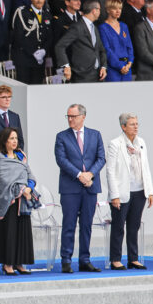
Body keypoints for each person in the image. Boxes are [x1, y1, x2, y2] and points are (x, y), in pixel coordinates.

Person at [54, 104, 105, 274]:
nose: (70, 119)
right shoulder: (62, 137)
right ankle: (66, 260)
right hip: (70, 187)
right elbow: (61, 160)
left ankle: (84, 259)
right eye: (68, 116)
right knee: (69, 224)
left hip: (90, 186)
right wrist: (79, 175)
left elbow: (101, 158)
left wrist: (90, 174)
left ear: (83, 117)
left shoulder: (95, 135)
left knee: (86, 225)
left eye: (73, 116)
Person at [105, 113, 153, 271]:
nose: (136, 127)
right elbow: (110, 171)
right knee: (118, 227)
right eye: (132, 124)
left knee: (134, 226)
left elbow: (145, 167)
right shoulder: (115, 144)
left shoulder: (141, 143)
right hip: (122, 192)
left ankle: (133, 258)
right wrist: (115, 195)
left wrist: (150, 191)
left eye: (137, 124)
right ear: (123, 127)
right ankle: (116, 259)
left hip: (139, 190)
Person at [0, 127, 35, 276]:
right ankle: (7, 263)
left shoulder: (21, 156)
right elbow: (4, 179)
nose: (14, 141)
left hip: (23, 200)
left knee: (22, 232)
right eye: (11, 138)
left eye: (16, 138)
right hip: (8, 200)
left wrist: (29, 187)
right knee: (9, 232)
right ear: (4, 141)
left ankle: (19, 263)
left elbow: (30, 175)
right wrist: (21, 189)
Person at [56, 0, 109, 82]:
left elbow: (101, 49)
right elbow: (60, 46)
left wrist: (103, 67)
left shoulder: (94, 27)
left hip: (97, 74)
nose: (100, 12)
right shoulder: (77, 27)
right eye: (99, 9)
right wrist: (66, 66)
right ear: (94, 11)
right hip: (81, 75)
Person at [9, 0, 52, 84]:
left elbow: (49, 36)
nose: (39, 1)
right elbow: (18, 36)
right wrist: (33, 52)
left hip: (39, 61)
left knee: (36, 88)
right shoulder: (22, 12)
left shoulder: (47, 14)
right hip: (24, 59)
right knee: (23, 87)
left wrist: (43, 51)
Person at [99, 0, 135, 81]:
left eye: (120, 8)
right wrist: (120, 66)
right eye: (114, 8)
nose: (118, 11)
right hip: (113, 69)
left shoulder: (124, 26)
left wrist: (129, 63)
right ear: (108, 10)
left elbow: (129, 47)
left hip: (127, 67)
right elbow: (107, 50)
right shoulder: (103, 27)